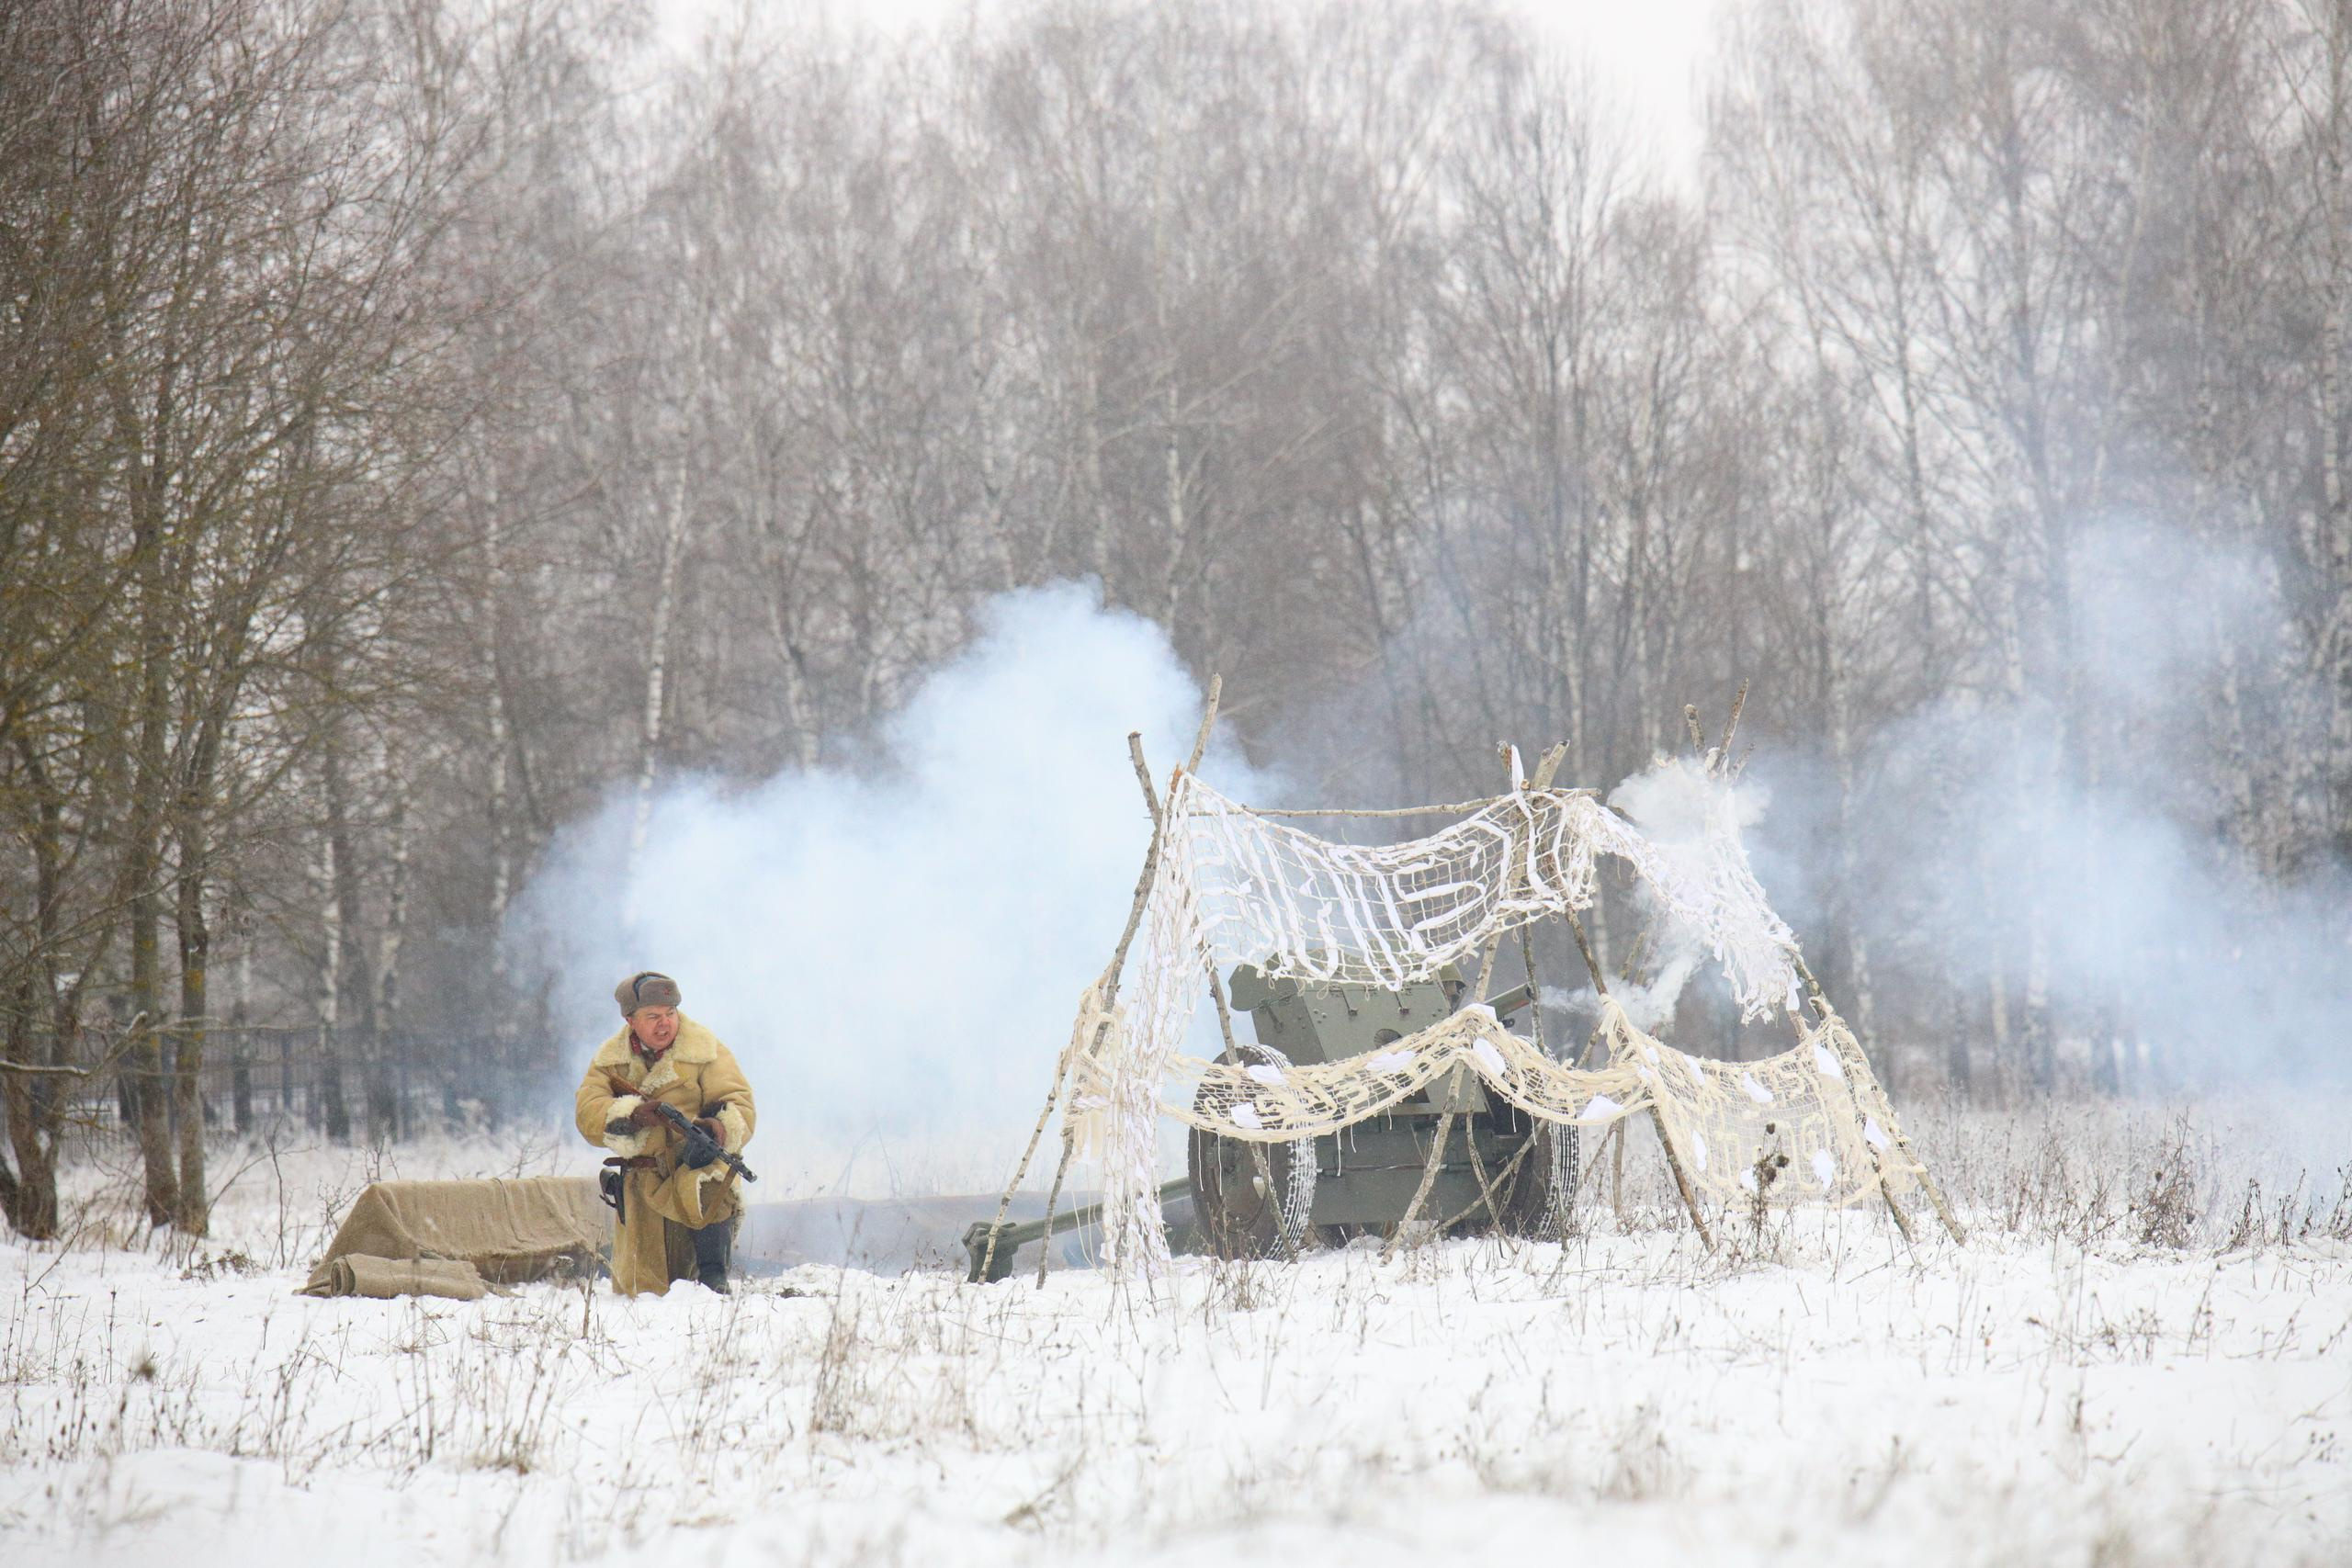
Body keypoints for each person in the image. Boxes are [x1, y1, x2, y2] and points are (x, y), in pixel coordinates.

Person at [573, 971, 755, 1295]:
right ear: (631, 1020)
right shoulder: (610, 1060)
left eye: (670, 1014)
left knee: (712, 1190)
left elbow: (740, 1105)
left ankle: (714, 1277)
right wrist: (632, 1115)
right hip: (642, 1190)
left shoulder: (705, 1050)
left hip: (691, 1172)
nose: (665, 1023)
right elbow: (588, 1112)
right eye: (653, 1016)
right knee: (642, 1293)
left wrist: (717, 1132)